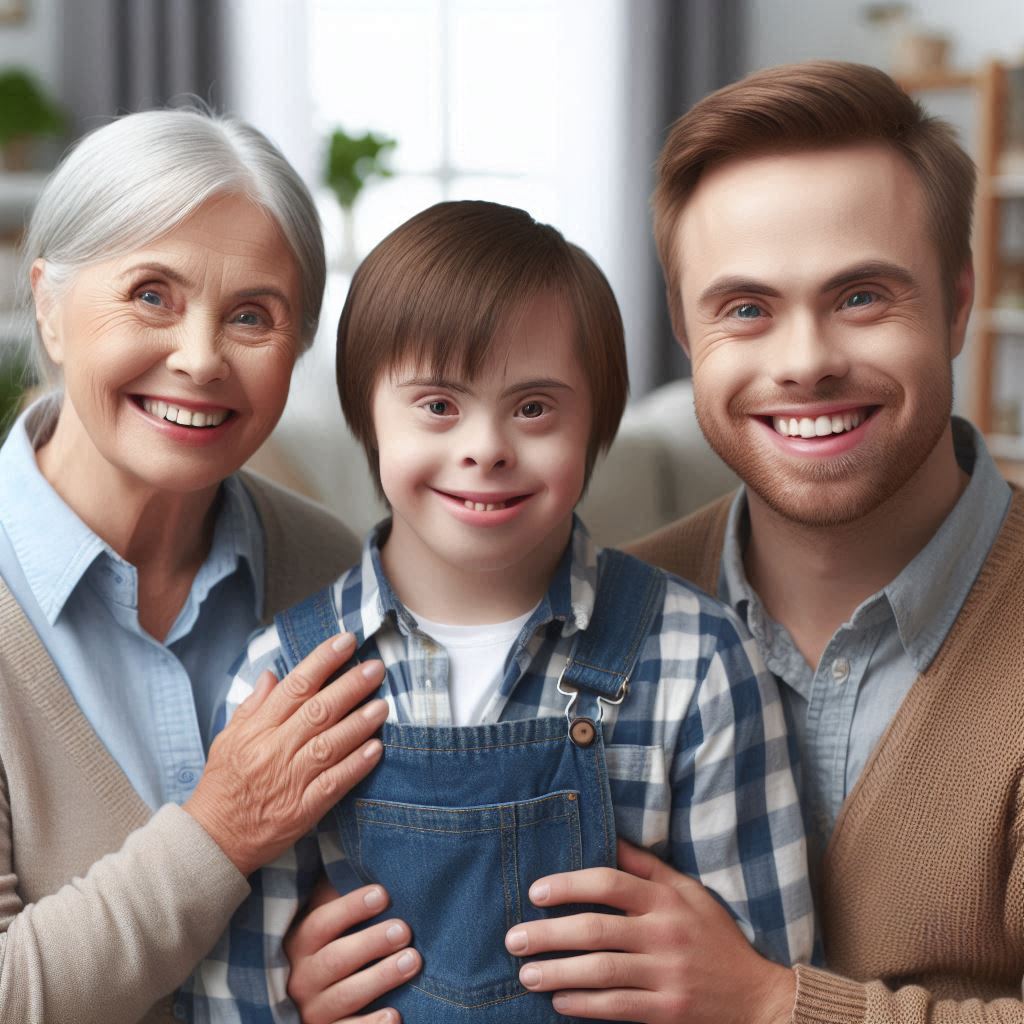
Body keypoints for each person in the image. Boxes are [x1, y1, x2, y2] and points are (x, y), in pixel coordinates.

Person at [184, 199, 815, 1024]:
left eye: (533, 408)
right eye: (439, 405)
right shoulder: (284, 680)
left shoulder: (698, 660)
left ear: (597, 424)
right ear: (365, 413)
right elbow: (229, 992)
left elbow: (773, 976)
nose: (485, 447)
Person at [587, 60, 1024, 1024]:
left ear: (957, 305)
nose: (806, 362)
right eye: (745, 308)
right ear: (687, 331)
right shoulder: (602, 613)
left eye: (862, 296)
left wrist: (772, 1006)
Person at [0, 107, 406, 1024]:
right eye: (151, 295)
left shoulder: (330, 567)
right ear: (49, 306)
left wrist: (324, 966)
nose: (199, 357)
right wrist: (222, 829)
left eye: (253, 316)